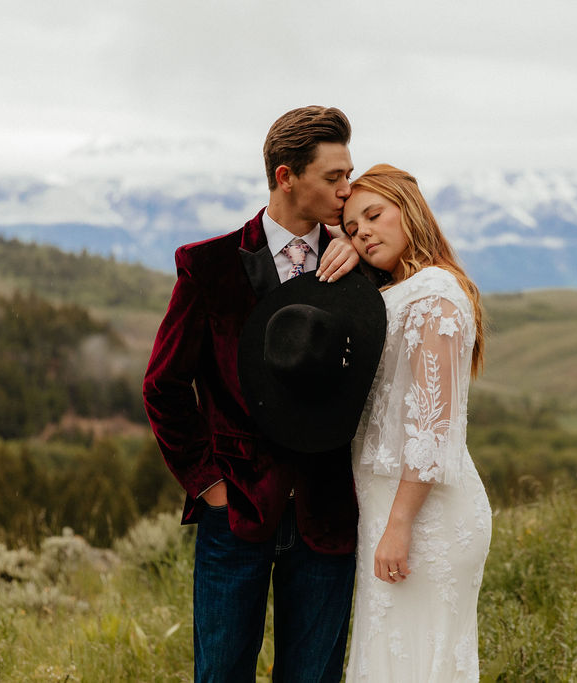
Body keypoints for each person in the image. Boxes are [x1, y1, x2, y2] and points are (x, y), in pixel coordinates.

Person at [142, 106, 363, 682]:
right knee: (220, 676)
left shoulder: (360, 268)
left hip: (329, 511)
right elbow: (162, 384)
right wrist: (208, 482)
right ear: (286, 176)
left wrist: (360, 249)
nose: (348, 190)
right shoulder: (207, 267)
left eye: (349, 175)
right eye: (333, 177)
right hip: (235, 509)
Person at [341, 164, 493, 682]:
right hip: (392, 506)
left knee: (414, 665)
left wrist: (400, 526)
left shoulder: (434, 294)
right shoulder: (395, 292)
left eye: (374, 214)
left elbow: (431, 424)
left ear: (410, 210)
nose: (362, 232)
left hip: (422, 515)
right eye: (351, 227)